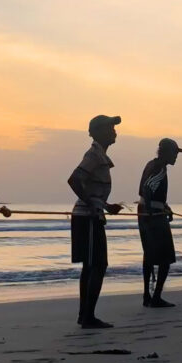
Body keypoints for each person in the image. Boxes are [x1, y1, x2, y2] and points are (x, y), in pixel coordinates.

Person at [67, 115, 123, 329]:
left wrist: (107, 206)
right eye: (110, 127)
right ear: (98, 131)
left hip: (91, 216)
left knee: (91, 266)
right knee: (97, 265)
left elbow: (89, 188)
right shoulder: (94, 154)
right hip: (87, 218)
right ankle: (87, 316)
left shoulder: (99, 155)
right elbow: (74, 179)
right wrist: (92, 203)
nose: (114, 131)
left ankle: (85, 314)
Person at [137, 138, 182, 308]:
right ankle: (156, 296)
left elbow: (148, 190)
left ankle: (146, 295)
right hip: (153, 216)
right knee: (166, 257)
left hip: (145, 211)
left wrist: (165, 206)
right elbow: (148, 188)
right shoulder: (160, 168)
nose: (176, 157)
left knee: (148, 255)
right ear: (165, 152)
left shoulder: (151, 164)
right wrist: (152, 211)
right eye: (175, 153)